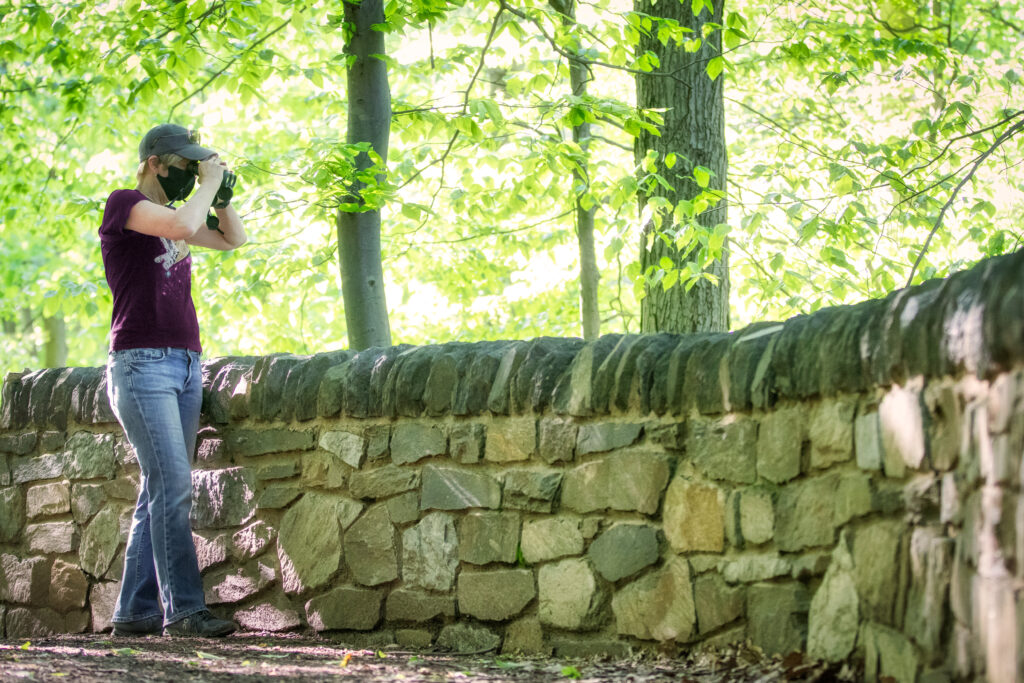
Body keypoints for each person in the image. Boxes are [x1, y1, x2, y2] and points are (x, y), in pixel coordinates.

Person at [100, 124, 246, 637]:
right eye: (184, 165)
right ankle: (184, 610)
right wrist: (205, 186)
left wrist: (221, 192)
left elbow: (232, 239)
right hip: (141, 365)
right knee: (175, 486)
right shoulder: (124, 204)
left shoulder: (182, 211)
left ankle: (134, 613)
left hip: (184, 365)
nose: (190, 173)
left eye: (195, 166)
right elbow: (183, 227)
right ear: (156, 162)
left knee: (158, 490)